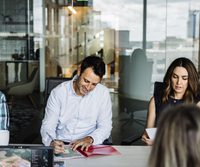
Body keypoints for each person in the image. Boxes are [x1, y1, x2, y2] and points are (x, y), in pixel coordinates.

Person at [40, 56, 112, 154]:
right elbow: (48, 125)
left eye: (94, 84)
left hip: (89, 145)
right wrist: (52, 142)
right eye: (86, 81)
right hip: (62, 145)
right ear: (79, 72)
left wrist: (90, 138)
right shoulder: (58, 92)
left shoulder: (103, 93)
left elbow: (105, 126)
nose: (88, 87)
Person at [142, 57, 200, 145]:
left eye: (184, 78)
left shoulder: (196, 104)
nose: (178, 82)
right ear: (170, 77)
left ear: (190, 80)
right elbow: (149, 134)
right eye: (175, 77)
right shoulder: (155, 101)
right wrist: (146, 138)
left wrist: (160, 143)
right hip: (158, 154)